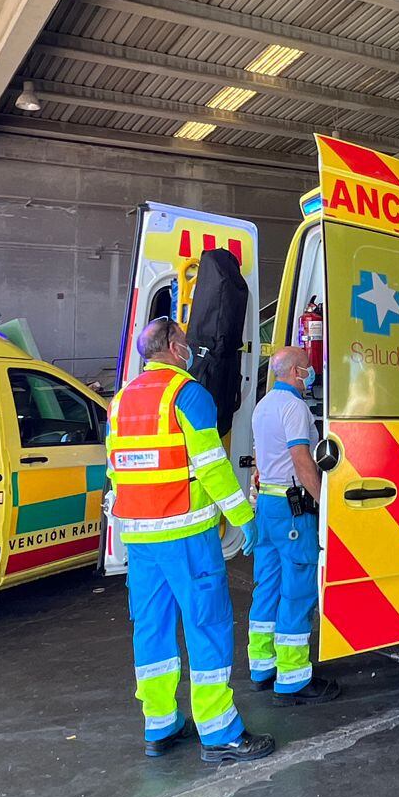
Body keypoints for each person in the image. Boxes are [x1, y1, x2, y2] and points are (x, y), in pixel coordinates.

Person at [105, 318, 274, 765]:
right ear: (176, 346)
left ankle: (160, 724)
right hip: (186, 534)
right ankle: (219, 731)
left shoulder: (121, 401)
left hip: (140, 539)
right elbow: (212, 466)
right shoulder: (188, 395)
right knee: (208, 625)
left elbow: (115, 469)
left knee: (151, 629)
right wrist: (242, 516)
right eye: (186, 342)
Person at [247, 347, 342, 704]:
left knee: (267, 585)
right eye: (309, 368)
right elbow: (302, 461)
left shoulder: (263, 405)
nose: (312, 373)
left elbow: (260, 457)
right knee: (298, 587)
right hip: (292, 507)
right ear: (298, 371)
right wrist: (324, 501)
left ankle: (262, 666)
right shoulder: (295, 407)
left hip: (268, 505)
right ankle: (293, 677)